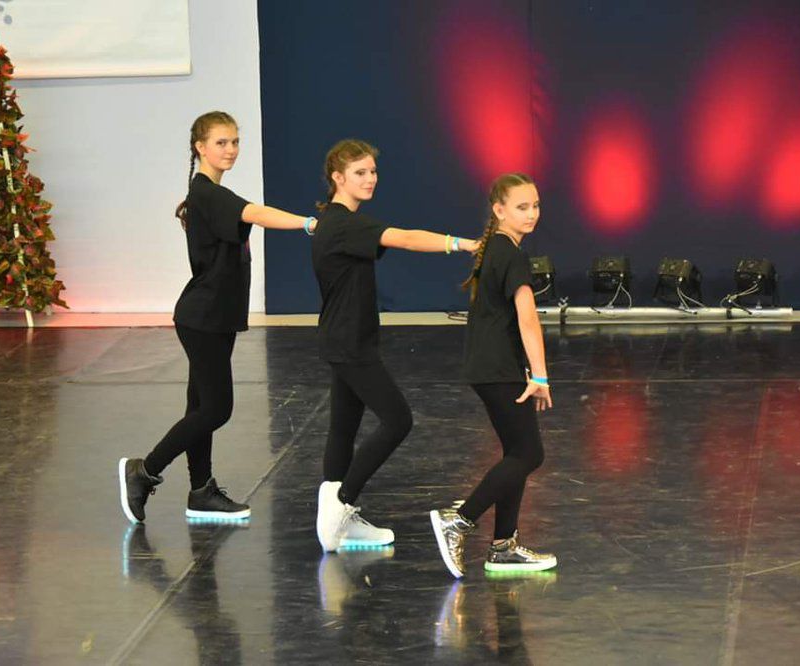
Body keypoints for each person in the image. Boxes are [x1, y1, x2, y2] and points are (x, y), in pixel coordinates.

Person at [118, 111, 318, 524]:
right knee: (216, 410)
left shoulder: (211, 193)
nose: (230, 150)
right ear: (200, 147)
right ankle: (144, 470)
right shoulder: (207, 193)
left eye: (235, 142)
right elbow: (257, 213)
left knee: (199, 409)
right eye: (221, 142)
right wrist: (309, 223)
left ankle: (201, 491)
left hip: (215, 316)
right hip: (203, 318)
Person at [312, 138, 478, 552]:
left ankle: (336, 521)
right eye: (360, 173)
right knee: (398, 420)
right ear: (338, 178)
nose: (370, 179)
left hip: (346, 338)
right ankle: (342, 504)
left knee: (343, 428)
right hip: (350, 343)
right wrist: (461, 244)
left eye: (372, 171)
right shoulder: (343, 223)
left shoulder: (338, 222)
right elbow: (404, 238)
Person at [430, 172, 557, 577]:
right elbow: (527, 319)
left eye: (535, 205)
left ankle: (503, 546)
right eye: (522, 207)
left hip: (491, 366)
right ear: (499, 210)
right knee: (529, 454)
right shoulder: (511, 255)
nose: (531, 213)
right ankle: (459, 521)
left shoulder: (496, 248)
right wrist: (540, 376)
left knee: (516, 453)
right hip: (498, 368)